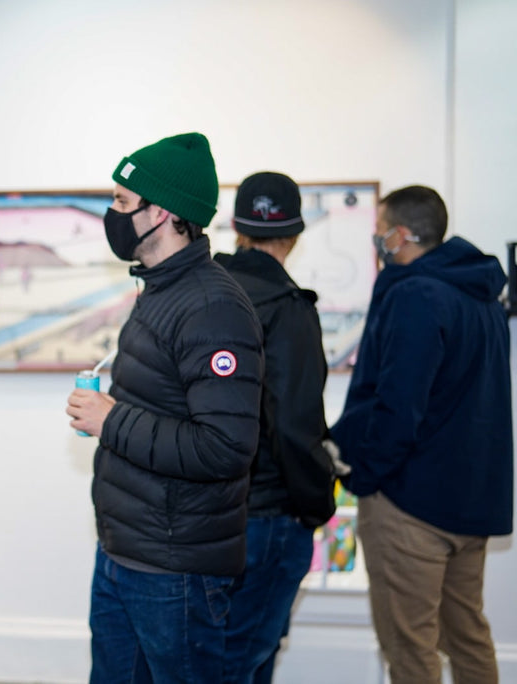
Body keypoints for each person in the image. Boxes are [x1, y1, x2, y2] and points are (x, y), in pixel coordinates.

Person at [65, 132, 264, 683]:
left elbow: (225, 447)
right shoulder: (161, 291)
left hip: (175, 573)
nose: (111, 214)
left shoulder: (212, 306)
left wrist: (112, 419)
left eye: (123, 203)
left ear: (165, 213)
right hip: (127, 554)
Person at [330, 185, 513, 684]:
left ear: (402, 235)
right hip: (468, 504)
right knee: (468, 637)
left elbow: (397, 406)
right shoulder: (482, 297)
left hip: (410, 506)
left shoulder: (414, 294)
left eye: (379, 232)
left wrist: (364, 475)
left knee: (411, 651)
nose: (376, 242)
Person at [214, 172, 336, 683]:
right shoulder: (289, 310)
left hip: (204, 517)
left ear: (237, 228)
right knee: (244, 662)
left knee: (212, 654)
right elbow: (295, 424)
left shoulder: (202, 293)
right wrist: (317, 505)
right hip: (268, 516)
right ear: (296, 235)